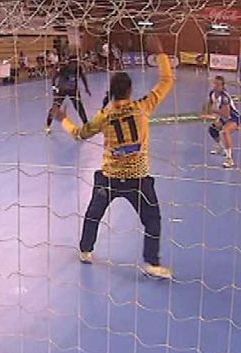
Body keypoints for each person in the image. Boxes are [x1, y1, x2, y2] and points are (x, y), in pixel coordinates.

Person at [51, 35, 175, 279]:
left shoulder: (103, 116)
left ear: (112, 92)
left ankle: (85, 250)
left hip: (109, 177)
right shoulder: (143, 107)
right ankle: (151, 263)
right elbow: (167, 80)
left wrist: (62, 118)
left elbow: (79, 134)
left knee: (93, 214)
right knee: (152, 219)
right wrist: (160, 54)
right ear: (130, 91)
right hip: (138, 179)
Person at [45, 55, 91, 134]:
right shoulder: (63, 68)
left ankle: (86, 125)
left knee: (79, 107)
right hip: (61, 90)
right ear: (69, 63)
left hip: (73, 90)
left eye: (76, 62)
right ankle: (48, 126)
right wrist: (54, 87)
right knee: (55, 108)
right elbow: (54, 76)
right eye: (73, 62)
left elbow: (83, 77)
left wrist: (86, 88)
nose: (75, 64)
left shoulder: (78, 68)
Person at [205, 76, 241, 168]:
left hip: (233, 117)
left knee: (226, 131)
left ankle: (230, 159)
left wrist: (214, 112)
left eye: (218, 84)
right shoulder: (212, 93)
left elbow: (226, 114)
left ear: (222, 86)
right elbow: (209, 105)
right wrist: (207, 112)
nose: (216, 86)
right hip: (223, 117)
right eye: (215, 84)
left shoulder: (224, 97)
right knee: (212, 129)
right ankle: (221, 148)